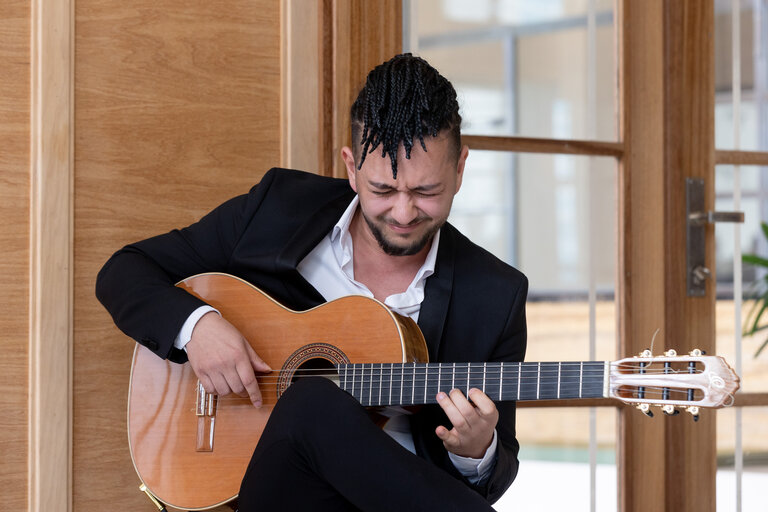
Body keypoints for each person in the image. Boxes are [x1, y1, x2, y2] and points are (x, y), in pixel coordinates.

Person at [96, 53, 527, 511]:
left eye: (426, 191)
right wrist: (197, 327)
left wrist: (477, 453)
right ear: (350, 168)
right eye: (383, 190)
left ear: (459, 169)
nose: (404, 213)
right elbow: (125, 271)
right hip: (277, 492)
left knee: (315, 402)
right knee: (313, 401)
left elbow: (493, 478)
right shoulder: (277, 209)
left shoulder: (495, 294)